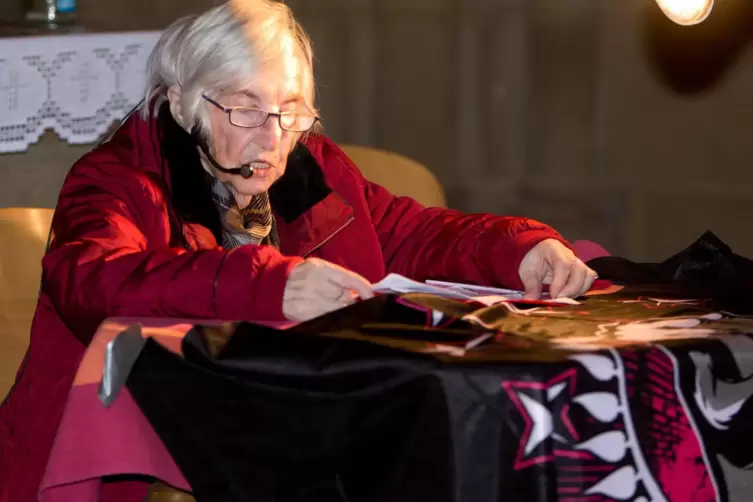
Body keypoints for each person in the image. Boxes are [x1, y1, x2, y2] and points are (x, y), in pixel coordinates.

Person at [0, 0, 597, 500]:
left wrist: (518, 247)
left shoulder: (308, 166)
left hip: (281, 441)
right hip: (123, 466)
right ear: (181, 103)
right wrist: (268, 283)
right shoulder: (118, 179)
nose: (273, 136)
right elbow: (93, 281)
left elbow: (409, 231)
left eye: (291, 110)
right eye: (245, 107)